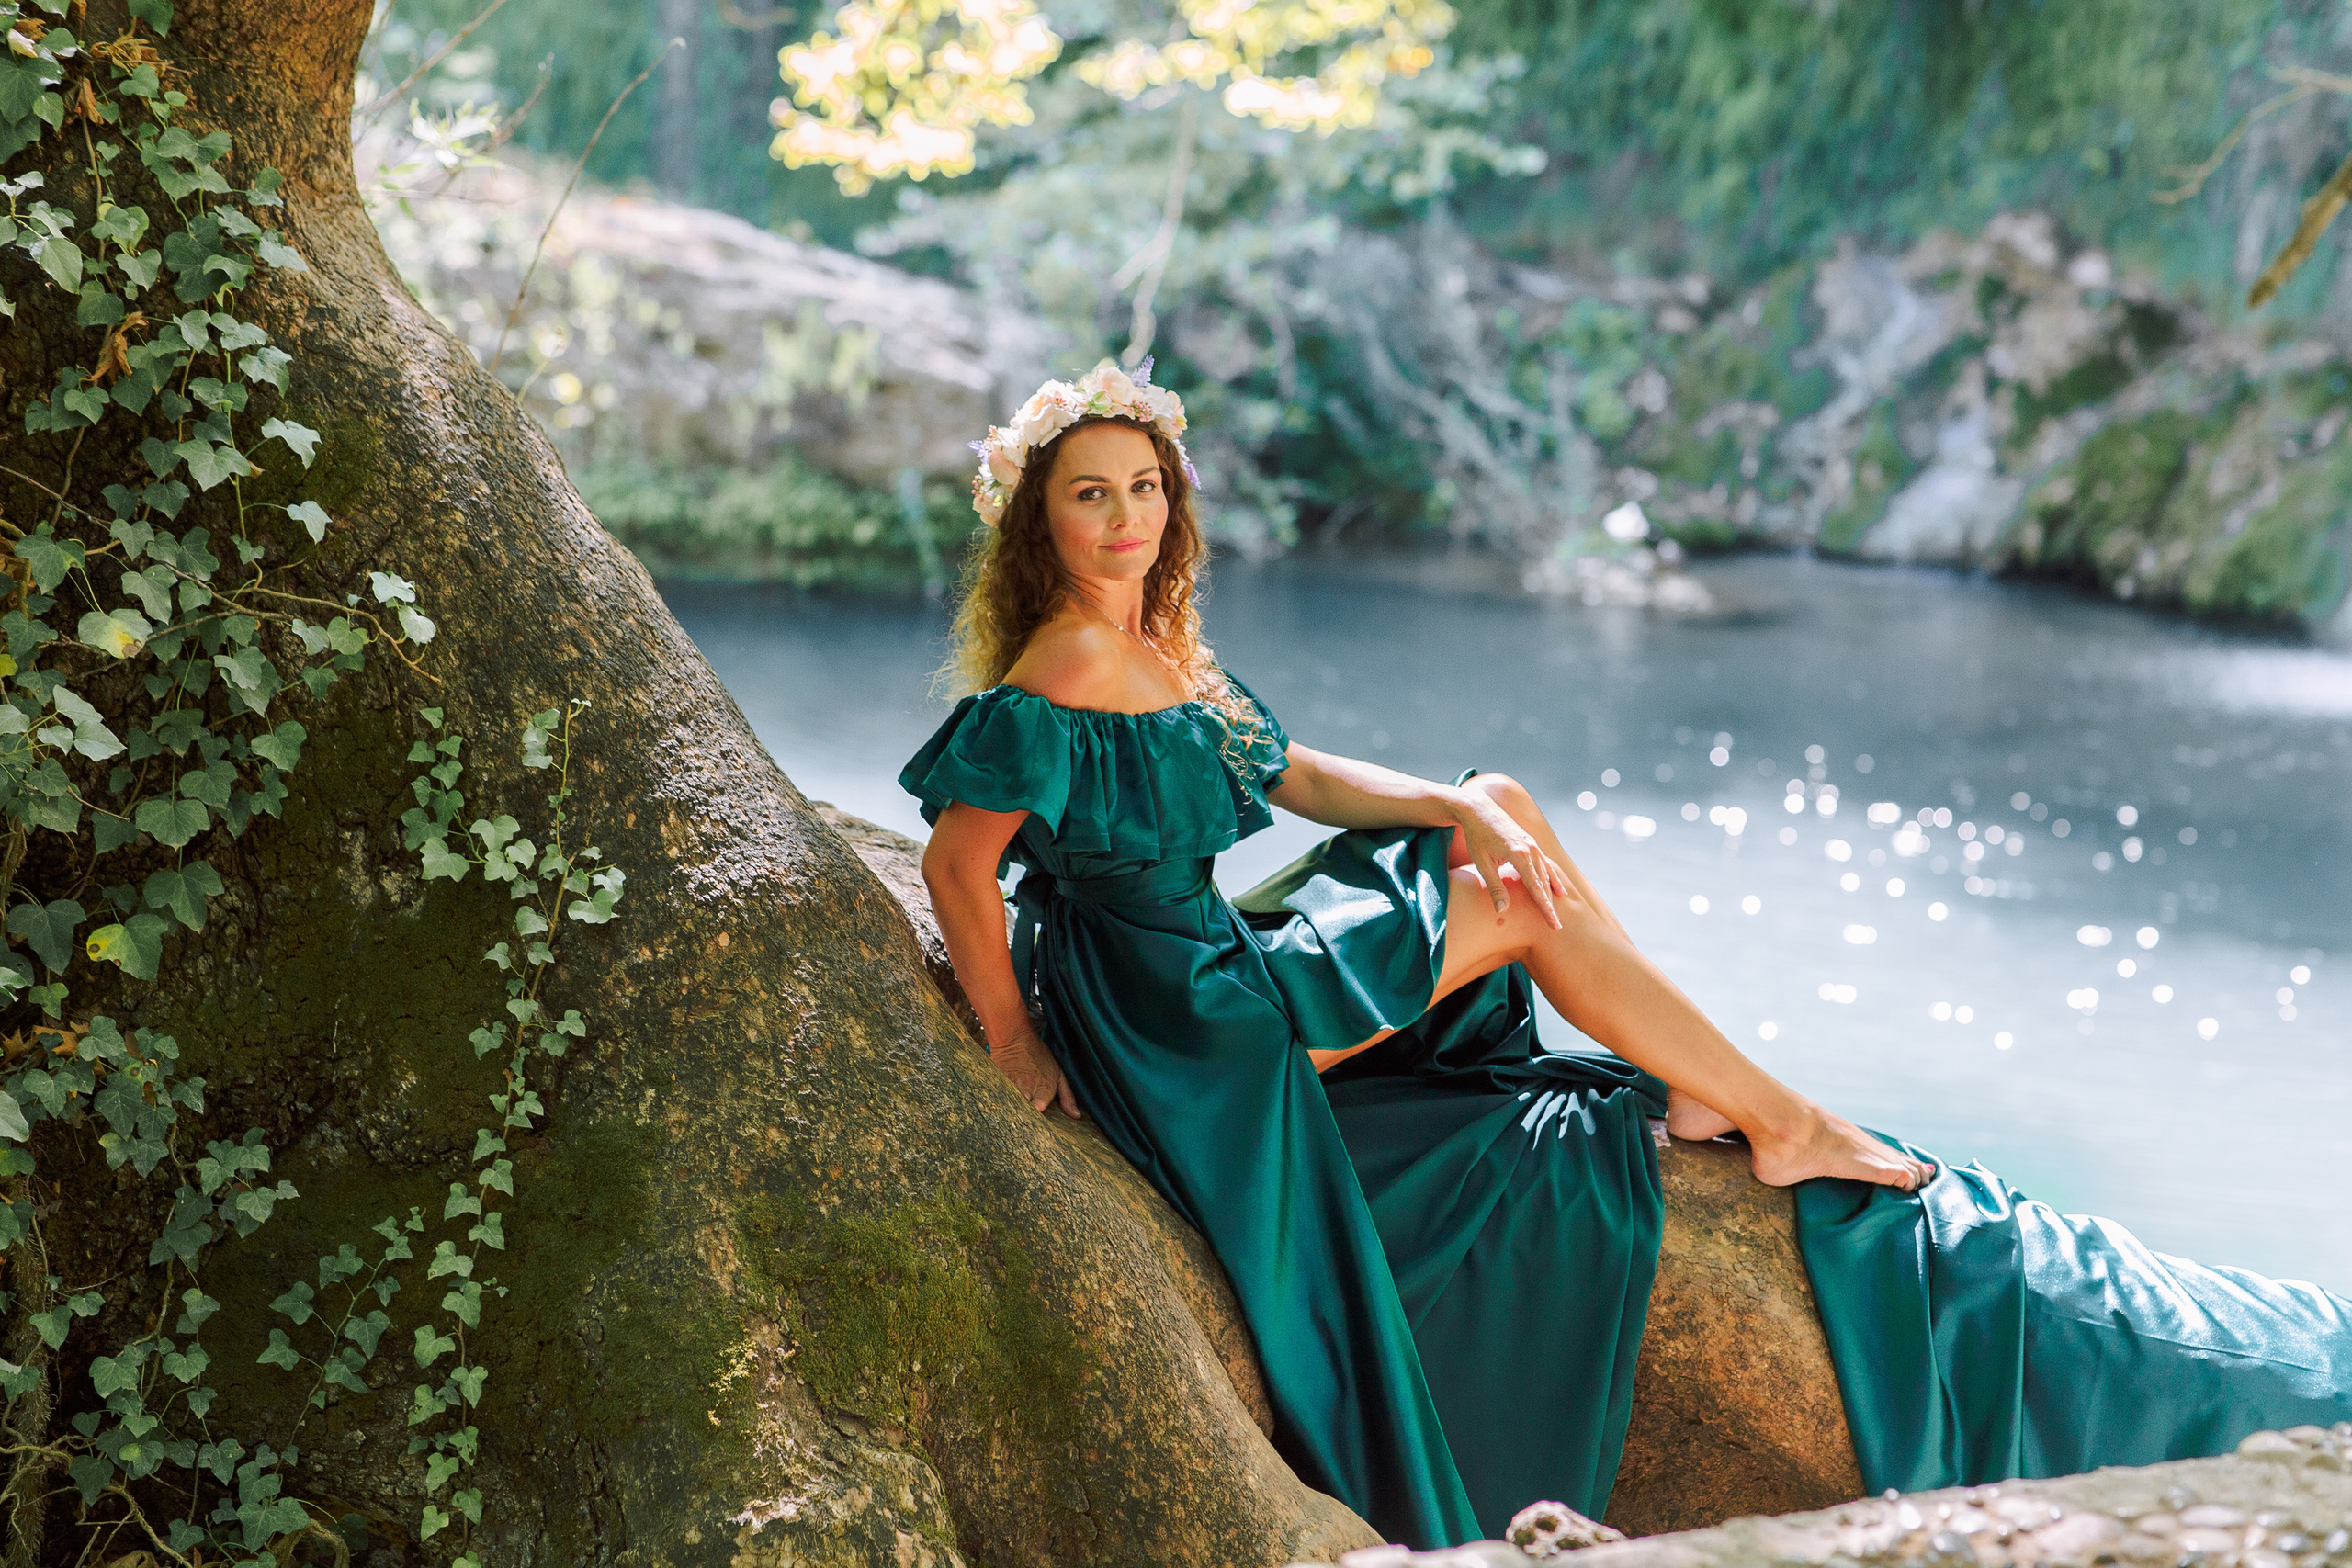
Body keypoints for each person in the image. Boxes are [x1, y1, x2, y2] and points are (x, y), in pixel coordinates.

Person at [902, 362, 2352, 1550]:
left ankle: (1696, 1068)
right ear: (1042, 521)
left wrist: (1456, 799)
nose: (1126, 518)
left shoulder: (1158, 640)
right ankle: (1772, 1116)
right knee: (1519, 908)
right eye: (1092, 497)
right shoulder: (1067, 667)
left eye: (1145, 487)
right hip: (1177, 1018)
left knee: (1508, 814)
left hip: (1207, 960)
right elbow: (956, 866)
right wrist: (1022, 1048)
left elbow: (1297, 776)